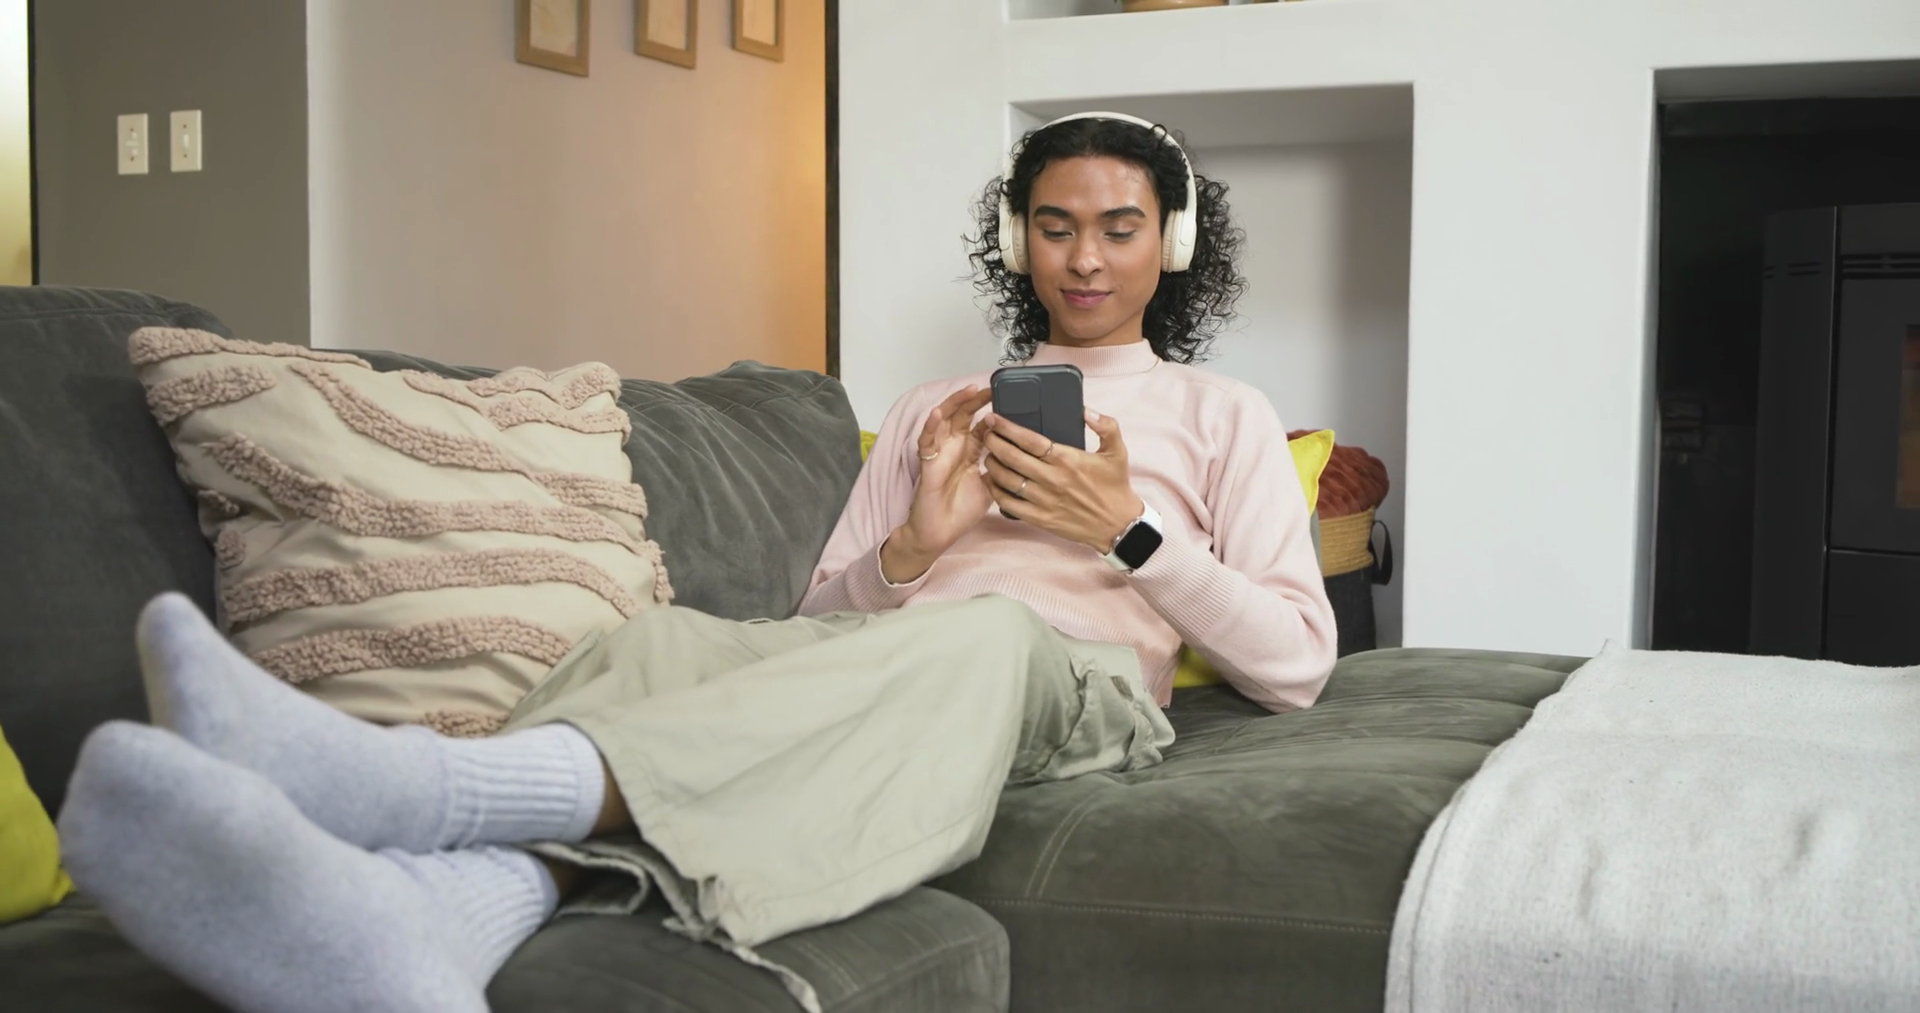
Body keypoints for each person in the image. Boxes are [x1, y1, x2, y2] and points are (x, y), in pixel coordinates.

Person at [56, 112, 1336, 1013]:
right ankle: (434, 918)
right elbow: (818, 613)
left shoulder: (1222, 411)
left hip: (1065, 683)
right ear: (1018, 242)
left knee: (984, 628)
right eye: (1055, 227)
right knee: (657, 641)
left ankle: (420, 787)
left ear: (1170, 243)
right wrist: (915, 544)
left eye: (1119, 228)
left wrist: (1125, 528)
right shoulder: (934, 407)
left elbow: (1295, 665)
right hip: (889, 651)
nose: (1086, 258)